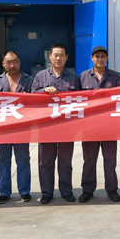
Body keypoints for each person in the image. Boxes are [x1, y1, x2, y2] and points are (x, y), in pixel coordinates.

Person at [31, 43, 81, 204]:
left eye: (61, 55)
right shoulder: (40, 76)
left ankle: (66, 191)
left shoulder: (73, 77)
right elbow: (31, 97)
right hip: (46, 126)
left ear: (66, 57)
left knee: (65, 162)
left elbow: (81, 100)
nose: (58, 58)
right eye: (55, 55)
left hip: (67, 126)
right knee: (45, 162)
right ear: (50, 57)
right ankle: (47, 192)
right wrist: (43, 91)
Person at [79, 46, 120, 203]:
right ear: (92, 58)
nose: (100, 59)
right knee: (89, 160)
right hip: (89, 126)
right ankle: (87, 190)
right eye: (97, 56)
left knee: (110, 160)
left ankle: (112, 190)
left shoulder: (115, 77)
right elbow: (75, 99)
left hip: (109, 125)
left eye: (103, 56)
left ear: (107, 58)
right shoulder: (83, 76)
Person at [0, 50, 34, 204]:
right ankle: (4, 191)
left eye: (14, 61)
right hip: (2, 128)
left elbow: (36, 102)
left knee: (23, 160)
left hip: (22, 127)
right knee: (3, 160)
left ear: (19, 62)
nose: (12, 65)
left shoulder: (29, 80)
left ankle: (24, 191)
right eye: (8, 62)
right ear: (3, 64)